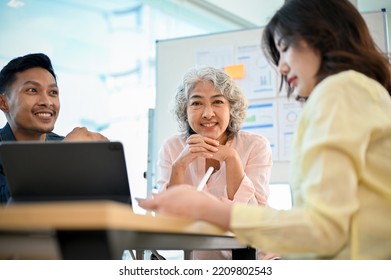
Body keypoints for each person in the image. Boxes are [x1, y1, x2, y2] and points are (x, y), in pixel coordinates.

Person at [139, 0, 391, 260]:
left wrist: (208, 209)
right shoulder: (361, 91)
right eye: (197, 103)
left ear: (322, 38)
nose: (281, 67)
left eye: (284, 49)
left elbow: (322, 229)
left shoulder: (339, 92)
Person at [156, 66, 275, 259]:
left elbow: (253, 218)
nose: (207, 113)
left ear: (231, 108)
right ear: (184, 110)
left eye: (217, 102)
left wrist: (232, 159)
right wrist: (179, 167)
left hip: (252, 260)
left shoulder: (255, 145)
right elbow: (166, 221)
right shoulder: (172, 147)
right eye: (196, 104)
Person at [0, 53, 108, 204]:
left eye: (53, 93)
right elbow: (8, 204)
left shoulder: (66, 146)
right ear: (3, 102)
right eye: (32, 90)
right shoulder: (66, 149)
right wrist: (62, 155)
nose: (47, 102)